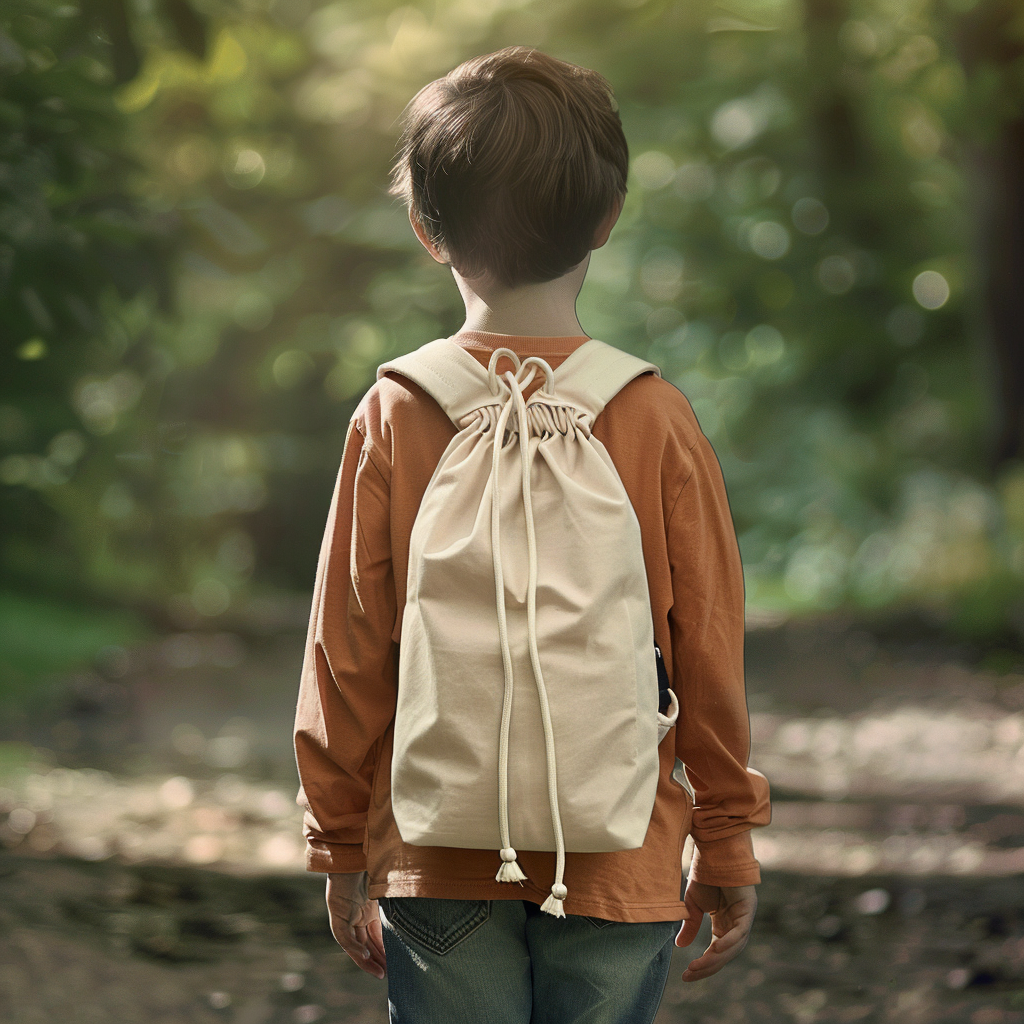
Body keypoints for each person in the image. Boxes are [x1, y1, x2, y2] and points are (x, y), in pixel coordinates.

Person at [293, 45, 772, 1023]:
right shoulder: (651, 414)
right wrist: (724, 838)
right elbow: (707, 647)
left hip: (438, 853)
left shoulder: (395, 410)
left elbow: (346, 648)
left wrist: (340, 842)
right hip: (620, 851)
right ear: (607, 217)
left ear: (428, 230)